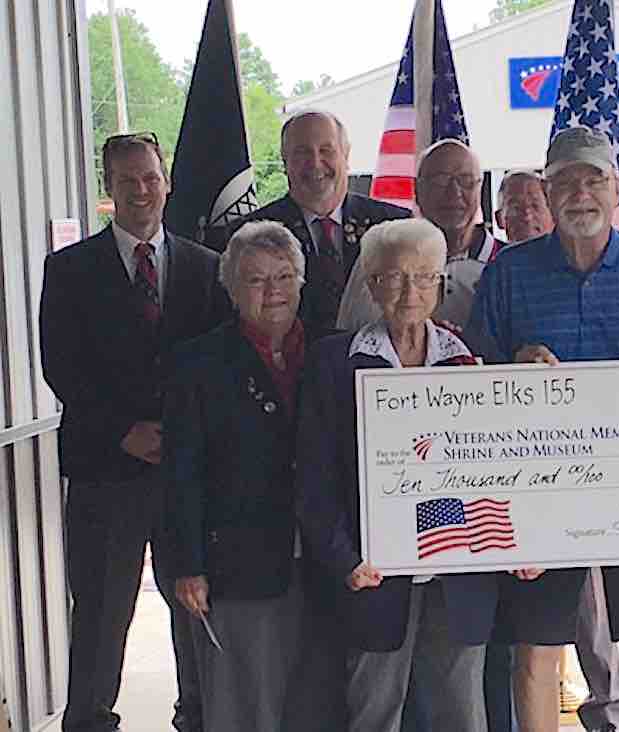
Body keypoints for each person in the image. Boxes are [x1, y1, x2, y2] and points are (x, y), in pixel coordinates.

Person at [466, 126, 619, 732]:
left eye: (593, 179)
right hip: (540, 487)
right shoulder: (511, 273)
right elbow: (474, 378)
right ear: (545, 192)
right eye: (564, 181)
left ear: (617, 188)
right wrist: (511, 367)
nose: (580, 193)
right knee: (536, 649)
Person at [40, 132, 229, 732]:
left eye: (149, 177)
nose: (141, 190)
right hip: (106, 470)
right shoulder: (69, 269)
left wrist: (182, 436)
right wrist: (123, 431)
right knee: (99, 618)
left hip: (186, 474)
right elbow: (60, 363)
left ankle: (198, 719)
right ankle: (90, 721)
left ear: (166, 180)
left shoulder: (205, 267)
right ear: (109, 190)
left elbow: (218, 364)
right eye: (127, 181)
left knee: (195, 614)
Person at [297, 218, 498, 732]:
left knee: (462, 713)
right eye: (394, 277)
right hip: (373, 574)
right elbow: (314, 478)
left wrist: (519, 548)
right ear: (371, 285)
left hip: (459, 572)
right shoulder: (333, 363)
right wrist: (344, 558)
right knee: (374, 711)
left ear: (440, 285)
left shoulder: (473, 363)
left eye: (424, 277)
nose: (410, 291)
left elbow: (503, 471)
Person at [164, 220, 319, 732]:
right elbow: (182, 471)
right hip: (240, 564)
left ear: (301, 281)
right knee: (246, 706)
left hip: (325, 562)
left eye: (283, 276)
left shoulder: (332, 353)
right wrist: (189, 565)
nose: (272, 291)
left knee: (313, 704)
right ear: (231, 289)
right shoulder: (198, 364)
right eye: (255, 280)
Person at [494, 168, 619, 732]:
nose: (525, 214)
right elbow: (479, 364)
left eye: (532, 204)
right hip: (533, 485)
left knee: (609, 620)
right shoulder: (507, 273)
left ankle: (609, 715)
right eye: (514, 206)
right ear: (500, 217)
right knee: (541, 636)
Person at [241, 109, 410, 338]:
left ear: (346, 155)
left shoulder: (397, 227)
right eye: (302, 152)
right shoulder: (250, 237)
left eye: (326, 150)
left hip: (375, 368)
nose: (315, 163)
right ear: (284, 162)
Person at [337, 139, 505, 331]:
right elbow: (347, 337)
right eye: (440, 180)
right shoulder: (379, 256)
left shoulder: (506, 264)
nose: (454, 192)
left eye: (466, 181)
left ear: (479, 188)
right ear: (417, 190)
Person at [495, 169, 554, 245]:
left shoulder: (571, 254)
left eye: (535, 206)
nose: (527, 217)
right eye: (515, 207)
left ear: (553, 215)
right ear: (499, 219)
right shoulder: (495, 256)